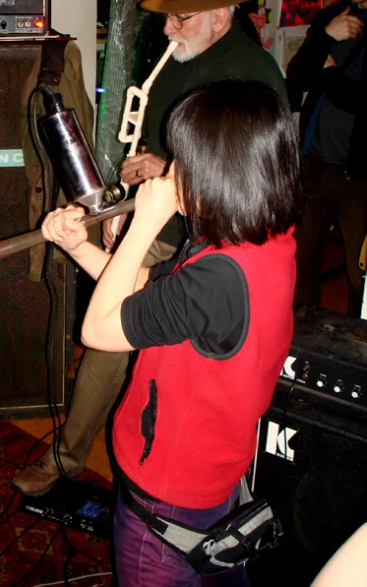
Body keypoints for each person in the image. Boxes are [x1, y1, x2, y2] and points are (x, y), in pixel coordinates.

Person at [13, 0, 287, 498]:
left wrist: (165, 180)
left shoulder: (251, 73)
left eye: (179, 17)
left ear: (220, 14)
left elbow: (264, 171)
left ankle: (78, 457)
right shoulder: (182, 52)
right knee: (132, 343)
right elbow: (148, 135)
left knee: (111, 347)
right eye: (167, 15)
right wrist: (127, 208)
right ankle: (105, 449)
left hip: (197, 234)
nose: (167, 28)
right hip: (162, 218)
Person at [41, 80, 303, 587]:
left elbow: (98, 328)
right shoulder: (263, 239)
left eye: (182, 160)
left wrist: (144, 223)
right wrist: (79, 247)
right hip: (214, 475)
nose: (171, 171)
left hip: (166, 499)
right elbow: (148, 295)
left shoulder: (220, 276)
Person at [287, 0, 367, 317]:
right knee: (301, 264)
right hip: (314, 163)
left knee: (359, 273)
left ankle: (356, 351)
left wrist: (331, 75)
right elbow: (297, 76)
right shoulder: (329, 18)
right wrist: (325, 39)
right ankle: (305, 347)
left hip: (359, 176)